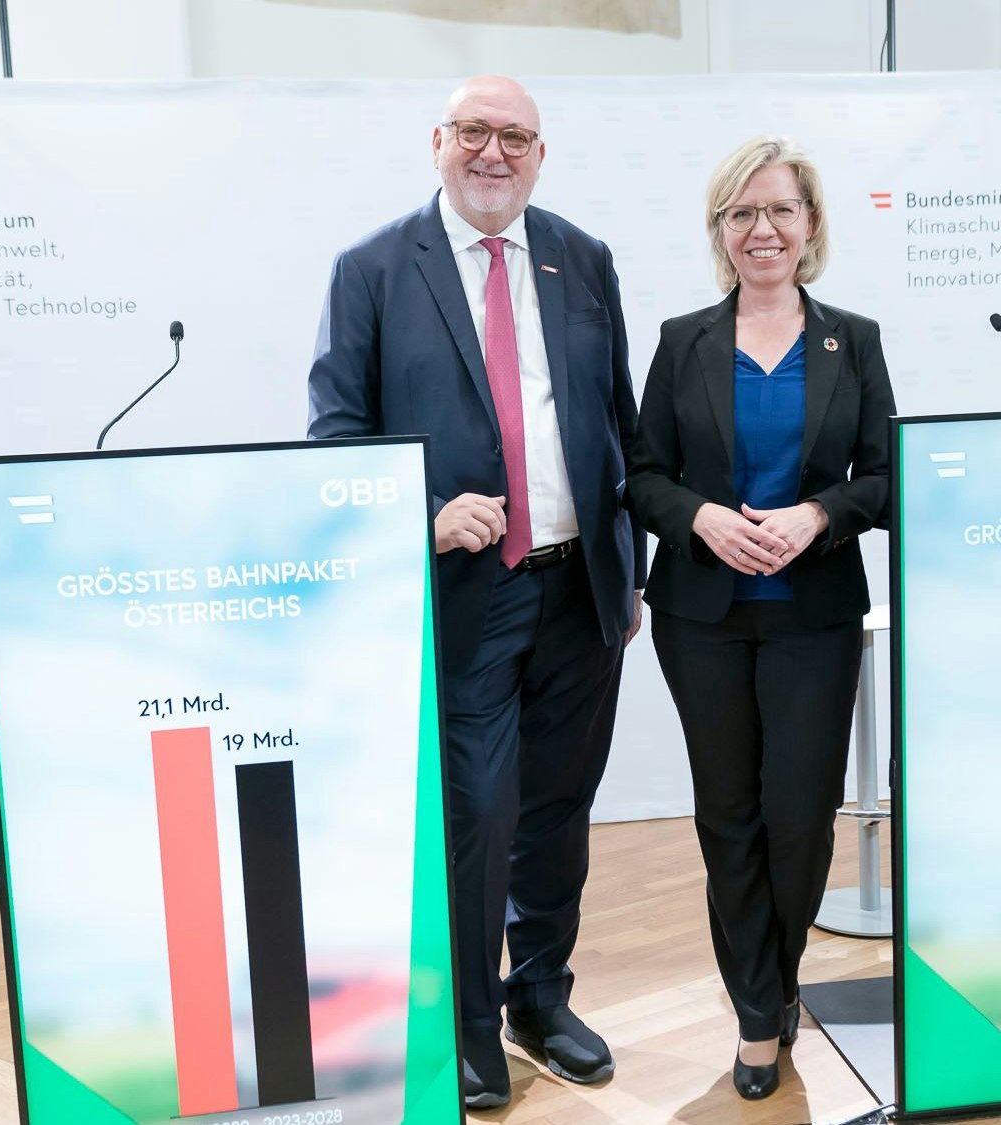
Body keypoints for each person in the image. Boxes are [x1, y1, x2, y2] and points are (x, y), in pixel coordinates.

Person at [306, 75, 643, 1111]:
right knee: (478, 815)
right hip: (466, 597)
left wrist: (628, 567)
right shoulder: (371, 269)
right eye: (474, 133)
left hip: (579, 589)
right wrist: (423, 513)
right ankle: (466, 1024)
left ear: (540, 155)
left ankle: (540, 996)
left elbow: (618, 421)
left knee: (559, 809)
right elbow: (333, 441)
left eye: (515, 137)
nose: (493, 152)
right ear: (438, 142)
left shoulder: (583, 258)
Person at [624, 135, 894, 1101]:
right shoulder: (682, 340)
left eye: (779, 209)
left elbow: (885, 476)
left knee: (800, 821)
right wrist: (699, 517)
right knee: (728, 816)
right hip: (702, 617)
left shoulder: (853, 339)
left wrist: (817, 514)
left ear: (810, 224)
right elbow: (642, 475)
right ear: (720, 231)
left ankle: (776, 981)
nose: (762, 229)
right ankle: (757, 1012)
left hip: (815, 618)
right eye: (741, 213)